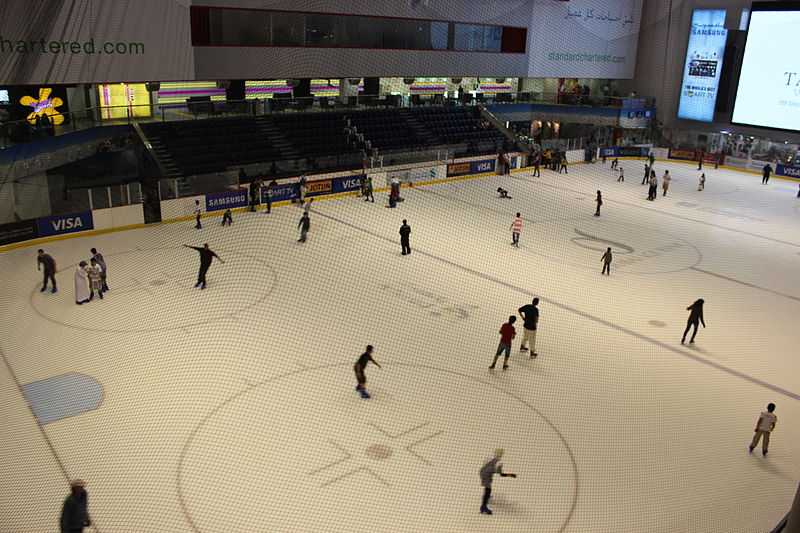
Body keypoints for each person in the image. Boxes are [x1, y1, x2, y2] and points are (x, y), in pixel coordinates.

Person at [479, 449, 516, 515]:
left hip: (482, 472)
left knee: (488, 489)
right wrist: (510, 475)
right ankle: (483, 507)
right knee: (488, 489)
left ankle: (486, 500)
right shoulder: (499, 463)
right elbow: (501, 474)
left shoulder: (490, 458)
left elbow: (484, 465)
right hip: (486, 475)